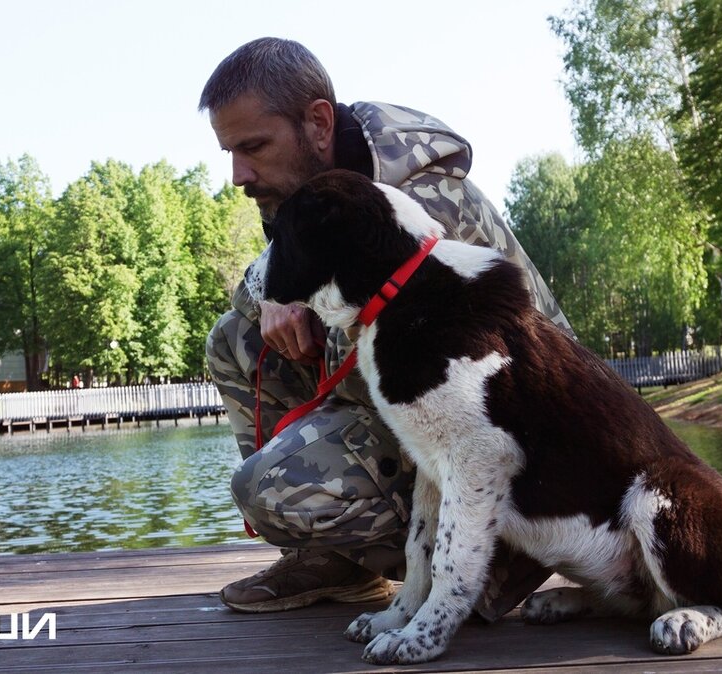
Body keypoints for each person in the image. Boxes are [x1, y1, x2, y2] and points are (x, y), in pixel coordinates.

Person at [199, 37, 573, 619]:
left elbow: (390, 367)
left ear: (318, 124)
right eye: (229, 151)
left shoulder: (422, 206)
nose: (238, 175)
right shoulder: (313, 189)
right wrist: (272, 293)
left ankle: (493, 560)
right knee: (234, 339)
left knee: (269, 486)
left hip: (527, 455)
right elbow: (279, 286)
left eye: (253, 147)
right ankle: (330, 561)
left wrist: (289, 294)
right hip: (426, 409)